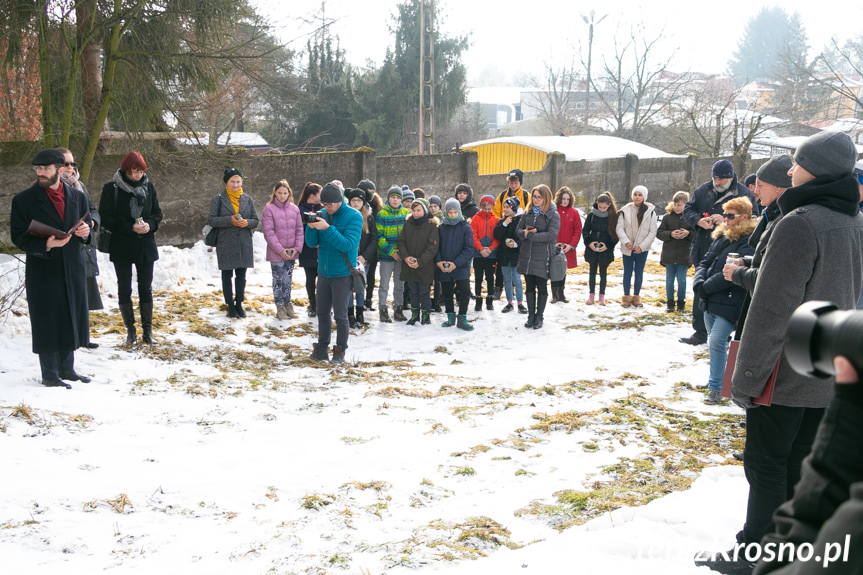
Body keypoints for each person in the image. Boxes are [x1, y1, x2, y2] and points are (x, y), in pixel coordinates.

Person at [696, 131, 863, 574]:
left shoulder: (800, 221)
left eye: (797, 162)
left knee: (766, 464)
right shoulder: (854, 219)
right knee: (798, 466)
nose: (789, 170)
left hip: (784, 371)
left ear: (818, 167)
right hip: (828, 365)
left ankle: (756, 553)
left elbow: (773, 308)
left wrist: (747, 378)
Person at [751, 357, 863, 575]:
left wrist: (848, 410)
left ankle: (753, 546)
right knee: (794, 461)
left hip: (779, 388)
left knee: (766, 466)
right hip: (818, 394)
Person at [10, 149, 93, 388]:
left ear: (59, 169)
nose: (40, 173)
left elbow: (86, 226)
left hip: (72, 266)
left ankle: (67, 369)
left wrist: (86, 233)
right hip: (43, 268)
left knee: (70, 314)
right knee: (47, 318)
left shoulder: (77, 197)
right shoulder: (24, 200)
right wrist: (46, 243)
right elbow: (18, 236)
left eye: (45, 168)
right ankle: (49, 374)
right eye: (37, 169)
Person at [680, 160, 756, 344]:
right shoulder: (702, 190)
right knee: (701, 287)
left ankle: (723, 331)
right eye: (715, 178)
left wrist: (725, 219)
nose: (718, 182)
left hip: (733, 249)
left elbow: (754, 218)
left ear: (731, 177)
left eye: (722, 179)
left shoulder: (744, 194)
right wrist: (698, 221)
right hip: (704, 247)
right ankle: (700, 331)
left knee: (723, 288)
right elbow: (688, 209)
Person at [692, 196, 755, 405]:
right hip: (710, 298)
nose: (725, 219)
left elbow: (733, 272)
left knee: (717, 341)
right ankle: (716, 381)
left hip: (730, 300)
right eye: (725, 215)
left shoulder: (749, 239)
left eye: (730, 215)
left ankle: (716, 388)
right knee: (714, 344)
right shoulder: (721, 236)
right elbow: (705, 260)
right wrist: (699, 282)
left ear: (744, 216)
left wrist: (706, 287)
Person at [724, 155, 794, 338]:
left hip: (771, 314)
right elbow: (767, 258)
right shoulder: (771, 213)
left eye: (761, 185)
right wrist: (746, 262)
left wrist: (737, 274)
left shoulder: (788, 220)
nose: (755, 191)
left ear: (778, 187)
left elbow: (774, 277)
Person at [100, 150, 162, 345]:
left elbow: (157, 214)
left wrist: (149, 226)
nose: (138, 175)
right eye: (134, 171)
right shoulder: (112, 189)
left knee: (145, 288)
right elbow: (106, 218)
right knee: (124, 288)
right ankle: (131, 331)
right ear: (126, 170)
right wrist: (130, 227)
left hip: (145, 245)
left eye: (141, 171)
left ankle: (148, 332)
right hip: (122, 245)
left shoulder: (149, 187)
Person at [305, 182, 362, 364]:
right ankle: (322, 348)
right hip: (323, 272)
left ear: (339, 202)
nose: (326, 208)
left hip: (343, 274)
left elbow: (348, 244)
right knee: (322, 312)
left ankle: (340, 350)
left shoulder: (354, 216)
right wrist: (311, 226)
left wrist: (327, 229)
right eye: (324, 204)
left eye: (329, 205)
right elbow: (311, 243)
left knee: (340, 314)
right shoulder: (322, 215)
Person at [58, 147, 102, 348]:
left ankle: (83, 336)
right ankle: (69, 336)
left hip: (84, 247)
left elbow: (92, 211)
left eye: (72, 163)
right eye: (66, 163)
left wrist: (91, 224)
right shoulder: (54, 189)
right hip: (65, 248)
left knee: (83, 294)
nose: (70, 167)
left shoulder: (80, 186)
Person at [208, 168, 259, 318]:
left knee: (241, 275)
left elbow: (255, 220)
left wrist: (246, 222)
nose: (235, 185)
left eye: (238, 182)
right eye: (232, 181)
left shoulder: (247, 199)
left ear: (242, 182)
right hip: (226, 242)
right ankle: (230, 304)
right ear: (226, 182)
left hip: (244, 242)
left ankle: (239, 303)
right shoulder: (218, 199)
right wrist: (229, 220)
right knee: (227, 274)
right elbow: (211, 220)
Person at [516, 184, 561, 329]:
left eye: (539, 197)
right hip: (527, 255)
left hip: (543, 255)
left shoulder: (552, 214)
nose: (535, 200)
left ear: (545, 198)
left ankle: (539, 316)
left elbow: (552, 235)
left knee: (541, 286)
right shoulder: (527, 212)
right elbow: (518, 230)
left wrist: (533, 236)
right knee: (529, 286)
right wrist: (525, 233)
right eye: (534, 196)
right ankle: (531, 316)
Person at [261, 179, 303, 320]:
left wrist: (297, 248)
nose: (282, 196)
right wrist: (279, 250)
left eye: (285, 193)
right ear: (274, 193)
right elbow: (269, 232)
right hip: (276, 252)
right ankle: (279, 306)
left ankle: (287, 303)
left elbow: (299, 229)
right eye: (279, 193)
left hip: (291, 251)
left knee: (288, 280)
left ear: (289, 193)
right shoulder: (269, 209)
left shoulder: (294, 209)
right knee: (278, 280)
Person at [398, 198, 440, 325]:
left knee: (424, 292)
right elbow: (402, 241)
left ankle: (426, 315)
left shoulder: (431, 225)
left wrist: (420, 261)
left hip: (424, 266)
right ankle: (414, 314)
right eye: (414, 210)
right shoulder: (408, 224)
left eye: (419, 210)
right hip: (409, 264)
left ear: (425, 210)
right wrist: (406, 257)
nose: (416, 213)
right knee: (413, 291)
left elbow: (432, 247)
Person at [436, 198, 475, 331]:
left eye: (454, 212)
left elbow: (469, 248)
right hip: (445, 266)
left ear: (459, 212)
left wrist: (456, 263)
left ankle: (462, 317)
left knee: (464, 291)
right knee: (447, 292)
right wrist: (439, 261)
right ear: (446, 212)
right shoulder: (441, 228)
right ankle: (450, 316)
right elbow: (436, 247)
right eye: (450, 212)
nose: (452, 215)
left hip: (461, 266)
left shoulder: (465, 227)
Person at [616, 185, 657, 308]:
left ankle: (636, 297)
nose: (637, 197)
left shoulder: (650, 212)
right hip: (627, 248)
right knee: (627, 272)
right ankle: (626, 297)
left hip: (641, 249)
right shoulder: (625, 210)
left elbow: (652, 231)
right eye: (635, 194)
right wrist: (626, 242)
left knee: (639, 272)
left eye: (640, 195)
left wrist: (642, 246)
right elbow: (619, 228)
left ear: (644, 197)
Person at [376, 186, 411, 322]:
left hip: (401, 256)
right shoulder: (382, 214)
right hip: (386, 256)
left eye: (398, 197)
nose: (395, 200)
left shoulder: (405, 213)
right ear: (388, 198)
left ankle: (398, 308)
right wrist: (391, 252)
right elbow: (379, 236)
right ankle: (383, 309)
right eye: (393, 197)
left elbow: (408, 235)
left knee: (400, 284)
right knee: (384, 284)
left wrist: (402, 252)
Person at [656, 191, 693, 312]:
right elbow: (659, 233)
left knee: (682, 280)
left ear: (686, 205)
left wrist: (688, 234)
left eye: (680, 205)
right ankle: (670, 303)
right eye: (675, 204)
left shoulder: (690, 218)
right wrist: (670, 234)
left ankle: (681, 303)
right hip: (669, 255)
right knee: (669, 280)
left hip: (684, 256)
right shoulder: (667, 218)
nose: (677, 207)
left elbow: (696, 235)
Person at [582, 192, 618, 306]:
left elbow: (616, 234)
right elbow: (585, 230)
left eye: (604, 207)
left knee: (603, 272)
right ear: (597, 203)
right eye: (600, 207)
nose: (602, 210)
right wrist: (589, 243)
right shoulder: (591, 215)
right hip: (592, 246)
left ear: (609, 205)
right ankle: (591, 295)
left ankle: (602, 296)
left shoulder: (613, 217)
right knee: (592, 271)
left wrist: (608, 245)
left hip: (605, 248)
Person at [347, 187, 376, 327]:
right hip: (348, 259)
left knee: (360, 286)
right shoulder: (345, 216)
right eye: (353, 200)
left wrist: (364, 257)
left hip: (363, 259)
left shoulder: (369, 217)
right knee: (347, 288)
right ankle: (349, 314)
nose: (356, 203)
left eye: (359, 200)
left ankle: (360, 312)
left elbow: (374, 239)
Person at [493, 196, 527, 314]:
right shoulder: (502, 222)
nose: (505, 210)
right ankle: (509, 302)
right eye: (504, 207)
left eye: (508, 207)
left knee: (517, 279)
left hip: (516, 256)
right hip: (504, 256)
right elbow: (497, 235)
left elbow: (523, 237)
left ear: (514, 208)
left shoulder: (521, 221)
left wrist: (516, 244)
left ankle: (520, 303)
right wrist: (504, 224)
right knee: (507, 279)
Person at [551, 186, 582, 304]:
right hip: (555, 246)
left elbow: (578, 230)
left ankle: (561, 294)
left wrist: (572, 245)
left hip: (568, 248)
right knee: (554, 269)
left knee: (563, 270)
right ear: (559, 198)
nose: (565, 201)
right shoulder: (553, 211)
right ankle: (554, 294)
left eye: (567, 199)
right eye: (563, 198)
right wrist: (553, 243)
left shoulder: (574, 212)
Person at [470, 194, 499, 311]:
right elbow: (473, 235)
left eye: (489, 209)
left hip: (491, 255)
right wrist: (480, 249)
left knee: (490, 278)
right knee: (478, 278)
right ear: (481, 207)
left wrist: (491, 248)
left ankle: (490, 300)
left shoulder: (496, 220)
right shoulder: (475, 219)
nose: (487, 211)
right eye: (484, 208)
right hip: (478, 254)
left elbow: (497, 237)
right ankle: (478, 300)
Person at [298, 182, 322, 317]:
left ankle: (322, 303)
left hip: (322, 250)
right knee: (310, 278)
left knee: (323, 279)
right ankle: (312, 304)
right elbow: (299, 230)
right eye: (320, 194)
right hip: (308, 250)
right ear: (312, 196)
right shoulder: (300, 210)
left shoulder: (322, 209)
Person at [357, 179, 379, 311]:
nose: (371, 194)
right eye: (368, 191)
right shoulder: (357, 205)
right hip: (358, 252)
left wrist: (367, 255)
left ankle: (368, 299)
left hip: (370, 251)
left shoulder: (376, 207)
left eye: (372, 191)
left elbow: (374, 236)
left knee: (370, 276)